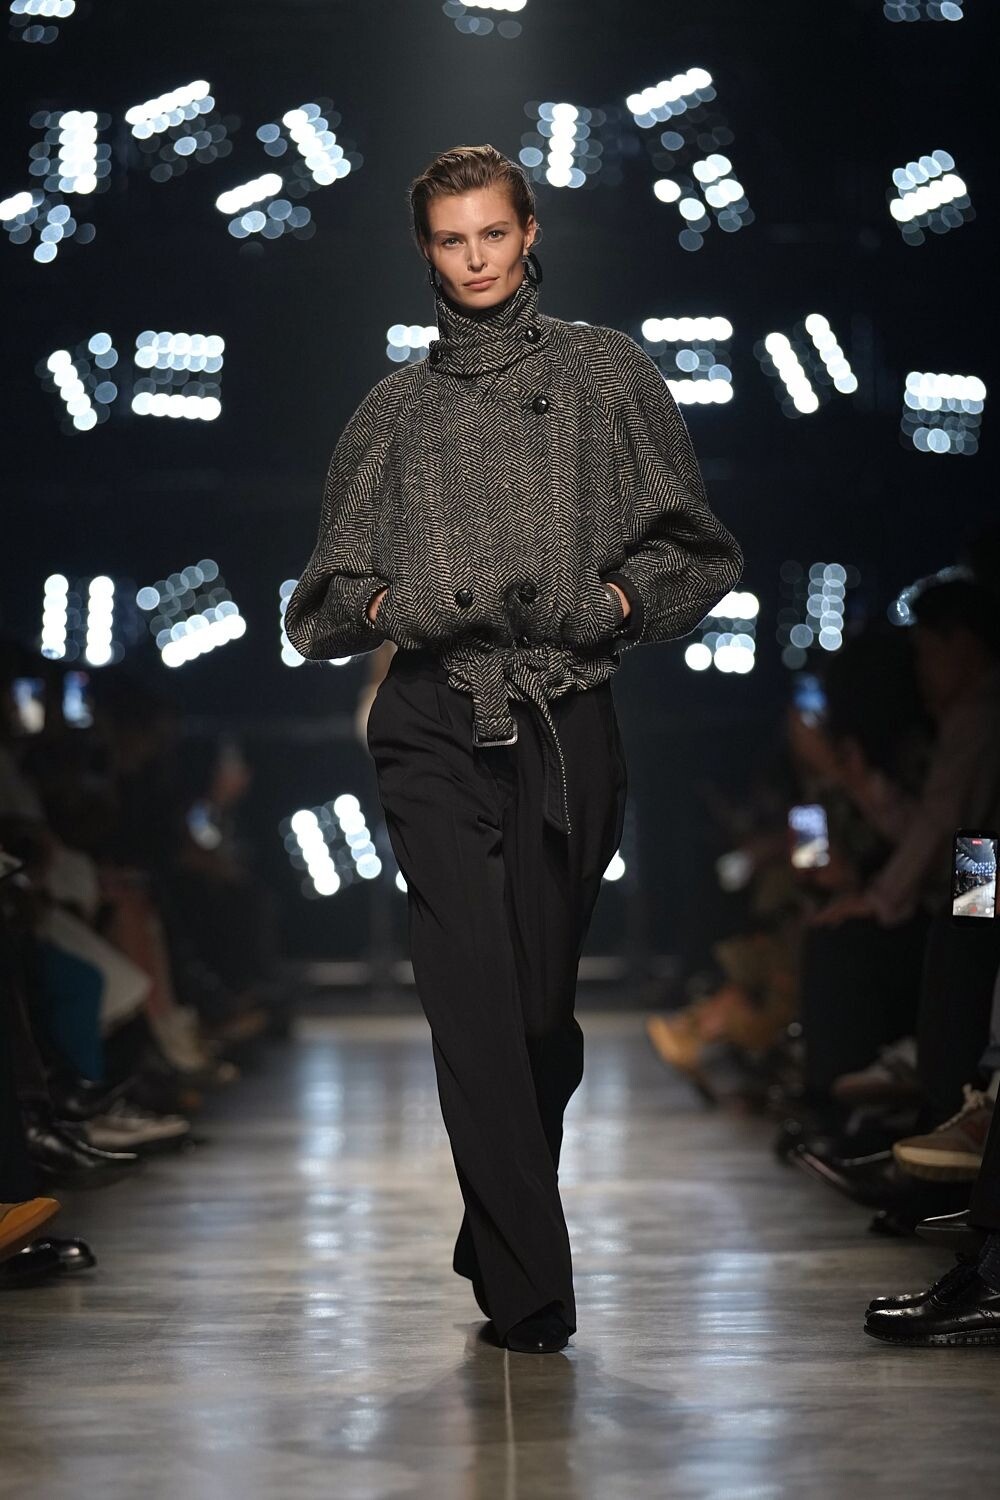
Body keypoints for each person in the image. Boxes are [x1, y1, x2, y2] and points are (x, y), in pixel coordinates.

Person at [284, 144, 743, 1353]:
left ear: (529, 233)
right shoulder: (392, 413)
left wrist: (616, 603)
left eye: (493, 233)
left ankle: (498, 1217)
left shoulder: (605, 375)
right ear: (424, 252)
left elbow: (698, 550)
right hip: (432, 721)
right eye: (452, 240)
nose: (475, 259)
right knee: (473, 1008)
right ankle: (530, 1293)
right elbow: (319, 604)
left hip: (562, 714)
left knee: (539, 1016)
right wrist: (395, 607)